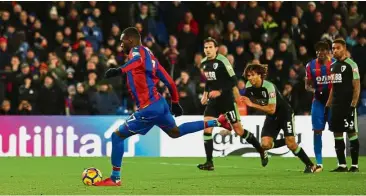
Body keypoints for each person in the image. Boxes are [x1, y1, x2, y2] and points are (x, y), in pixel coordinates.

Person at [94, 27, 232, 186]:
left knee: (117, 136)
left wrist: (120, 70)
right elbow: (170, 82)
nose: (120, 45)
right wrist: (174, 102)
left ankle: (114, 178)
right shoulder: (151, 57)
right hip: (159, 103)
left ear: (130, 40)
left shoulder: (136, 51)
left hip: (148, 108)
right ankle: (218, 121)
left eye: (122, 41)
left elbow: (137, 61)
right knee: (175, 132)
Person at [198, 37, 267, 171]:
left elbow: (233, 80)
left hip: (227, 100)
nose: (207, 50)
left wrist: (219, 91)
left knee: (239, 130)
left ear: (216, 48)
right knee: (207, 128)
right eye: (205, 47)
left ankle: (261, 150)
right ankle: (209, 162)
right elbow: (209, 80)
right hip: (213, 101)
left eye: (210, 47)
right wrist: (206, 94)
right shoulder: (204, 62)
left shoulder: (223, 60)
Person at [241, 64, 316, 173]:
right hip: (272, 117)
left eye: (253, 75)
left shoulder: (269, 87)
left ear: (260, 75)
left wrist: (252, 104)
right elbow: (242, 99)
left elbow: (271, 109)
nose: (250, 78)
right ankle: (285, 141)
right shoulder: (248, 86)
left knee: (291, 144)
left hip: (285, 114)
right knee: (265, 145)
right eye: (248, 76)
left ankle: (310, 165)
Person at [326, 38, 360, 172]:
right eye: (333, 48)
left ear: (344, 49)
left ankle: (355, 165)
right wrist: (328, 105)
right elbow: (333, 88)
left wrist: (353, 105)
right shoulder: (333, 66)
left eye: (337, 48)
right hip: (336, 105)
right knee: (337, 133)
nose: (334, 51)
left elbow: (356, 87)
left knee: (352, 132)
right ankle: (342, 165)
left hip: (347, 105)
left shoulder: (352, 65)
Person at [305, 41, 335, 172]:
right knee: (317, 131)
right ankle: (319, 163)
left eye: (322, 50)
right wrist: (315, 91)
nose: (319, 53)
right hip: (318, 101)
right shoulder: (310, 65)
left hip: (333, 102)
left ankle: (341, 163)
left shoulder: (334, 64)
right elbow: (307, 85)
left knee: (337, 131)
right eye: (317, 50)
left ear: (328, 51)